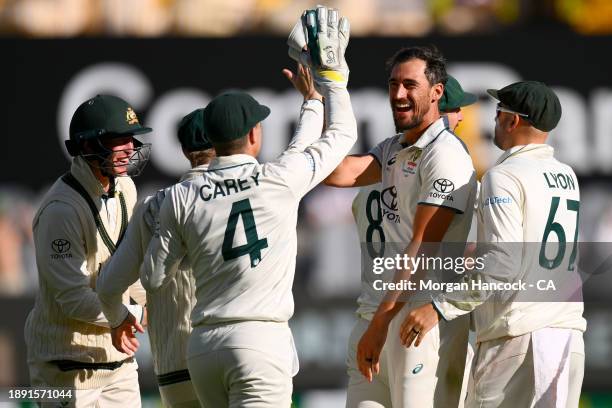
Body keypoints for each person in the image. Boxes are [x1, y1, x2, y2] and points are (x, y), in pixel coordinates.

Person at [138, 7, 356, 407]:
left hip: (203, 348)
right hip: (259, 342)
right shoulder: (277, 180)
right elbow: (339, 135)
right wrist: (330, 82)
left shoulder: (182, 197)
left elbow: (152, 278)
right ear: (255, 135)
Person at [400, 81, 586, 408]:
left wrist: (439, 307)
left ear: (513, 121)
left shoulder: (504, 176)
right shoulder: (566, 175)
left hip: (520, 340)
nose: (494, 120)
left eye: (499, 113)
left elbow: (502, 265)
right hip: (568, 339)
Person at [325, 46, 477, 407]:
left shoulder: (447, 153)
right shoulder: (394, 146)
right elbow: (337, 172)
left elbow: (423, 245)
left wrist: (380, 326)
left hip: (419, 320)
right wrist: (322, 94)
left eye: (410, 84)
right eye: (393, 84)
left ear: (436, 92)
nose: (398, 94)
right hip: (377, 313)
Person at [24, 94, 152, 407]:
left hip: (119, 365)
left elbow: (128, 264)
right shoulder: (60, 211)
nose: (130, 148)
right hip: (65, 368)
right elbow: (72, 299)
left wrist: (152, 304)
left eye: (130, 139)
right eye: (117, 140)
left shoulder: (125, 188)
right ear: (87, 146)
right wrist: (131, 315)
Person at [96, 108, 215, 407]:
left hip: (173, 369)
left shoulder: (152, 205)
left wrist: (121, 319)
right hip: (225, 354)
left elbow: (108, 286)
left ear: (186, 151)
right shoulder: (250, 193)